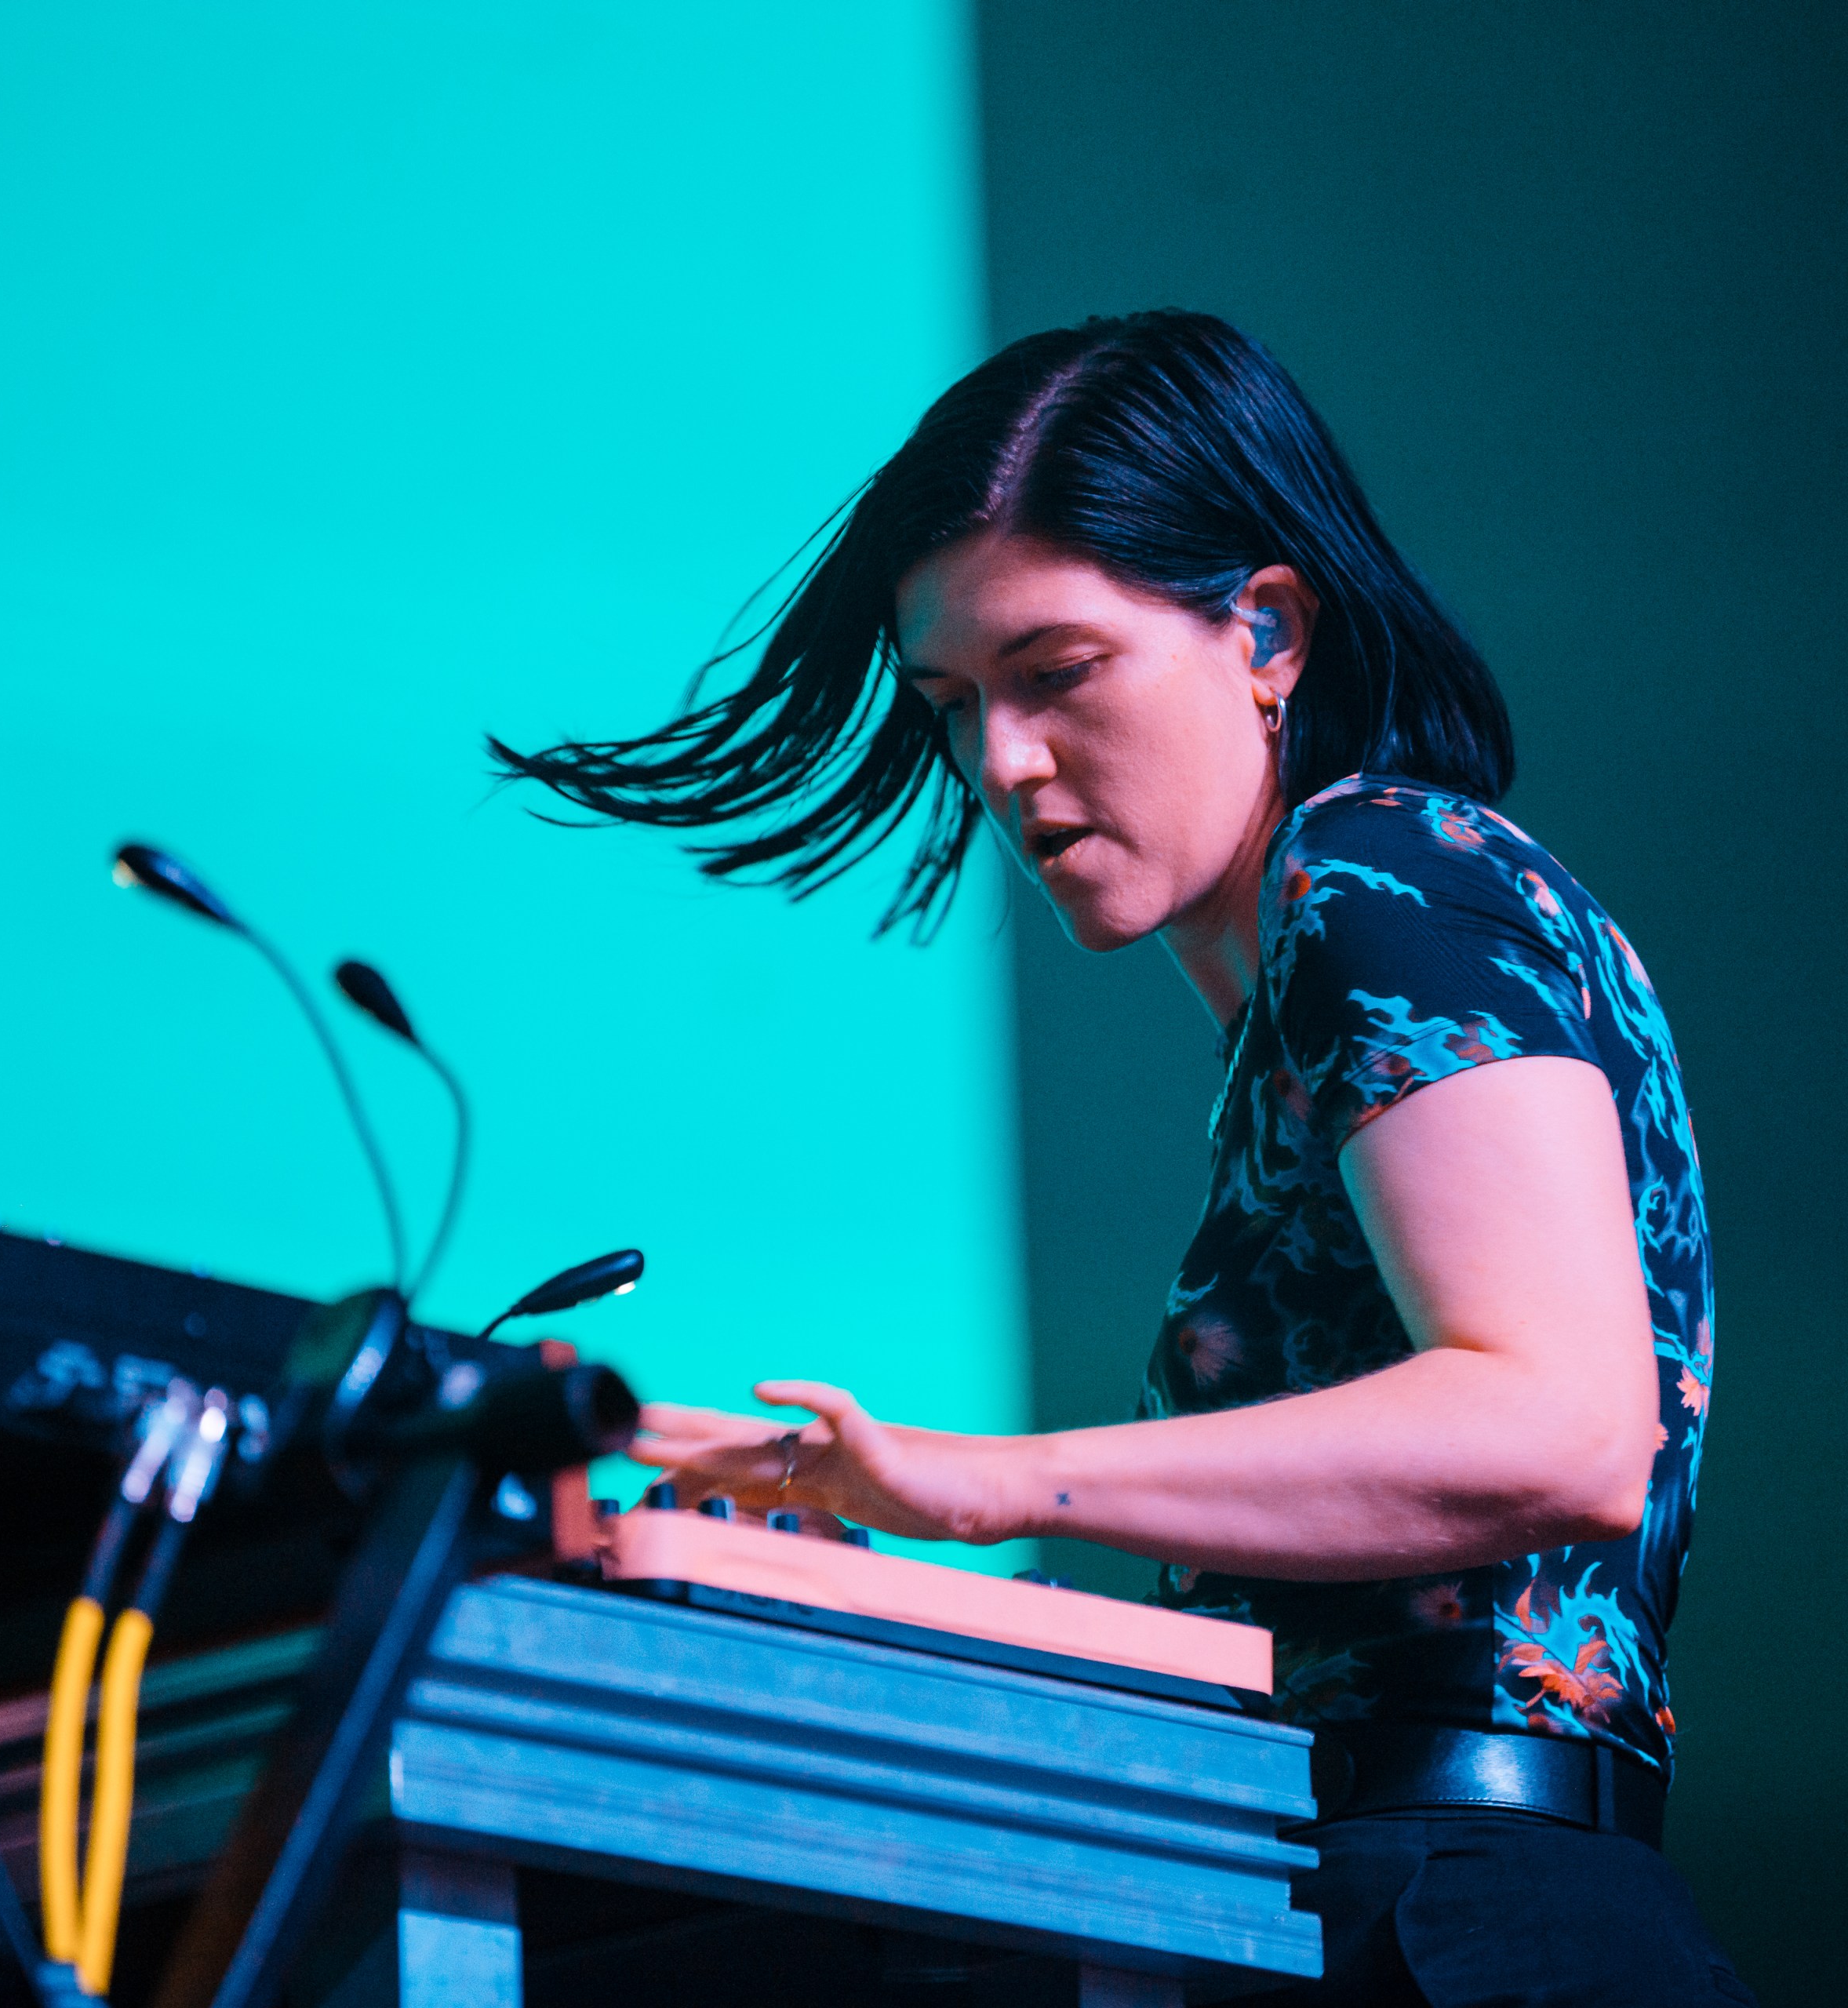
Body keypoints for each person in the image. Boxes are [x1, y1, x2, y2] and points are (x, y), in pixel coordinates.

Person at [495, 311, 1753, 2007]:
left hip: (1464, 1930)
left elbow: (1562, 1422)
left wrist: (981, 1479)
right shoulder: (1371, 930)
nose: (1002, 765)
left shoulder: (1377, 879)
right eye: (954, 705)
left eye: (1058, 673)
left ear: (1266, 628)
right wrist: (862, 1550)